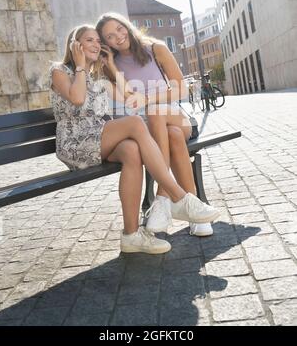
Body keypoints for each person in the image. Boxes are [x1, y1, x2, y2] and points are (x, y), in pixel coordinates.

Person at [50, 25, 220, 255]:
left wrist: (110, 65)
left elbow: (132, 100)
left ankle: (131, 235)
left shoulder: (99, 80)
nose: (96, 44)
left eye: (98, 41)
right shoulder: (60, 71)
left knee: (131, 150)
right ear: (75, 45)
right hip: (76, 144)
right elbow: (77, 98)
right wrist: (80, 65)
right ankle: (177, 196)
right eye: (89, 40)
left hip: (99, 140)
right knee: (135, 124)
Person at [96, 12, 214, 237]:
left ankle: (162, 197)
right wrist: (110, 64)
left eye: (119, 29)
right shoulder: (111, 65)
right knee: (173, 136)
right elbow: (127, 98)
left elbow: (181, 88)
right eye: (110, 37)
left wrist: (148, 100)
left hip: (176, 115)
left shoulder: (156, 48)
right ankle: (194, 211)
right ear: (106, 43)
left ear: (126, 26)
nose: (118, 37)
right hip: (152, 127)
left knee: (157, 112)